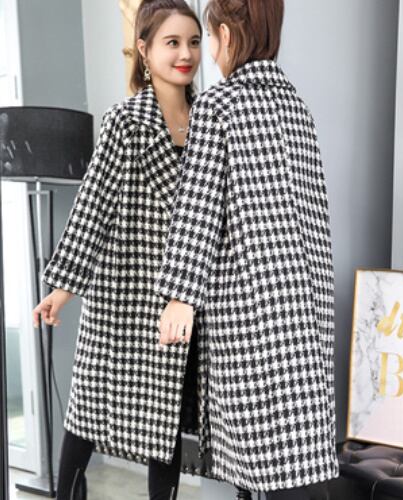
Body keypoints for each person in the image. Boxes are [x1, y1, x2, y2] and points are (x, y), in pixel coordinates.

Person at [155, 0, 339, 498]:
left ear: (228, 37)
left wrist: (180, 297)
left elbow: (198, 206)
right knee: (297, 453)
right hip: (306, 304)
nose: (210, 53)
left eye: (210, 38)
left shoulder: (219, 106)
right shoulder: (296, 107)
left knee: (265, 454)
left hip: (251, 306)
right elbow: (314, 208)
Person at [32, 1, 202, 498]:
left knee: (166, 424)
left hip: (179, 295)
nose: (186, 54)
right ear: (145, 50)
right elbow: (93, 205)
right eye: (172, 42)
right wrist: (62, 288)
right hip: (124, 293)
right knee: (87, 413)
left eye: (194, 42)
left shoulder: (209, 121)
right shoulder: (125, 121)